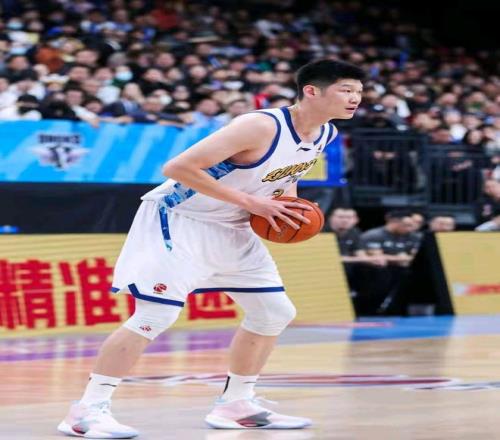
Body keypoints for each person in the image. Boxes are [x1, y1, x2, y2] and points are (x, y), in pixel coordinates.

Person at [58, 58, 365, 437]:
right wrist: (252, 203)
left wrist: (286, 211)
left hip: (232, 224)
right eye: (346, 90)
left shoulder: (325, 134)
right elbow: (178, 167)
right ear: (312, 91)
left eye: (359, 92)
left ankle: (236, 403)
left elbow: (285, 178)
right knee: (155, 315)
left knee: (274, 312)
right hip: (180, 220)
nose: (355, 98)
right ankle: (86, 410)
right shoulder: (260, 126)